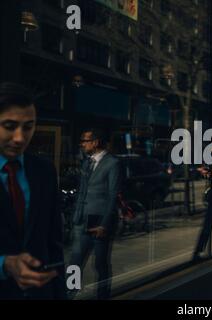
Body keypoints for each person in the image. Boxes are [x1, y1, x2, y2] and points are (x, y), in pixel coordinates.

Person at [0, 82, 66, 299]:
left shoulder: (44, 171)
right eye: (9, 126)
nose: (20, 138)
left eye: (28, 127)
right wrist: (4, 264)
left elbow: (54, 245)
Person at [69, 128, 122, 299]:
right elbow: (81, 191)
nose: (82, 144)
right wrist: (75, 217)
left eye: (85, 141)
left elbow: (113, 196)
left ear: (96, 142)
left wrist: (104, 224)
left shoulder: (113, 163)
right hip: (81, 220)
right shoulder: (86, 162)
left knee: (100, 264)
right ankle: (70, 293)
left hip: (99, 222)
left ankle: (102, 296)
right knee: (75, 262)